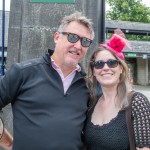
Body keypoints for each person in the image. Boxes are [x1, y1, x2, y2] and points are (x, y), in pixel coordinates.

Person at [0, 11, 95, 150]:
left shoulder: (87, 85)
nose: (78, 46)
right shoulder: (23, 73)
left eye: (85, 41)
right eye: (73, 37)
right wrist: (8, 143)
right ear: (57, 37)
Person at [84, 29, 150, 150]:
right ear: (94, 71)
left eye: (112, 63)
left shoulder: (137, 102)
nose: (105, 68)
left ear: (121, 69)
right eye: (99, 64)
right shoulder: (92, 102)